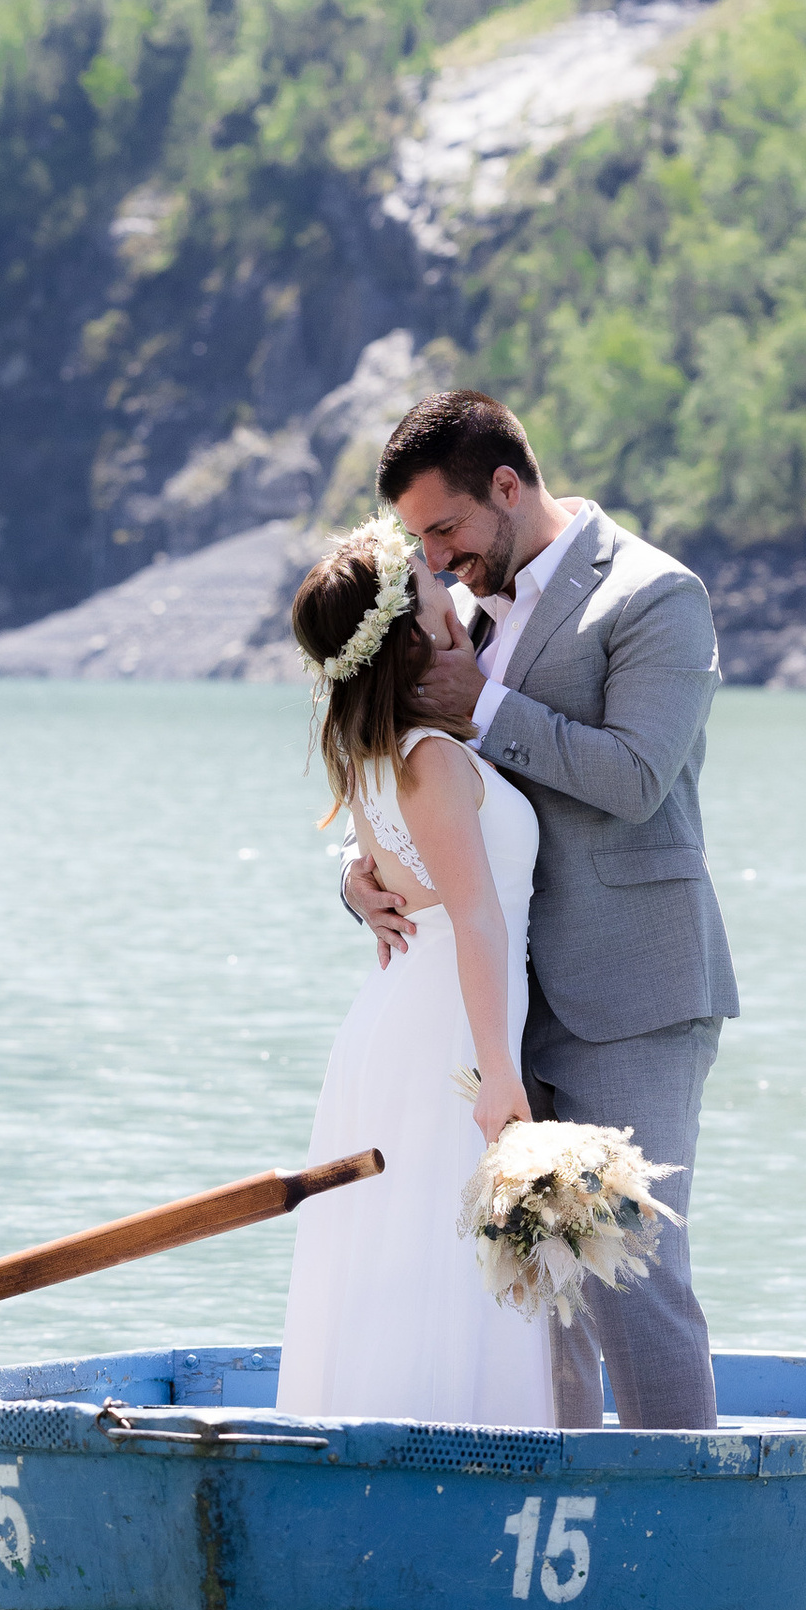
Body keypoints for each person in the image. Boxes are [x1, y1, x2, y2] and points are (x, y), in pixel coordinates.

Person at [346, 391, 738, 1430]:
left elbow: (635, 776)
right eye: (419, 538)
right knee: (529, 1290)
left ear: (508, 486)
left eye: (443, 529)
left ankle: (680, 1521)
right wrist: (355, 869)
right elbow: (438, 787)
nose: (433, 559)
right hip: (501, 1010)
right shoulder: (460, 606)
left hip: (631, 994)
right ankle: (564, 1516)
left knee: (625, 1266)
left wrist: (478, 700)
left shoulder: (657, 598)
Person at [274, 522, 556, 1429]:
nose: (451, 599)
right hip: (446, 1026)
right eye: (434, 597)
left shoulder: (373, 749)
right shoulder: (427, 757)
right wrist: (499, 1076)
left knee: (405, 1250)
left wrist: (356, 883)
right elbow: (475, 917)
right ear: (406, 634)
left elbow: (400, 872)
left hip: (406, 1013)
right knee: (435, 1253)